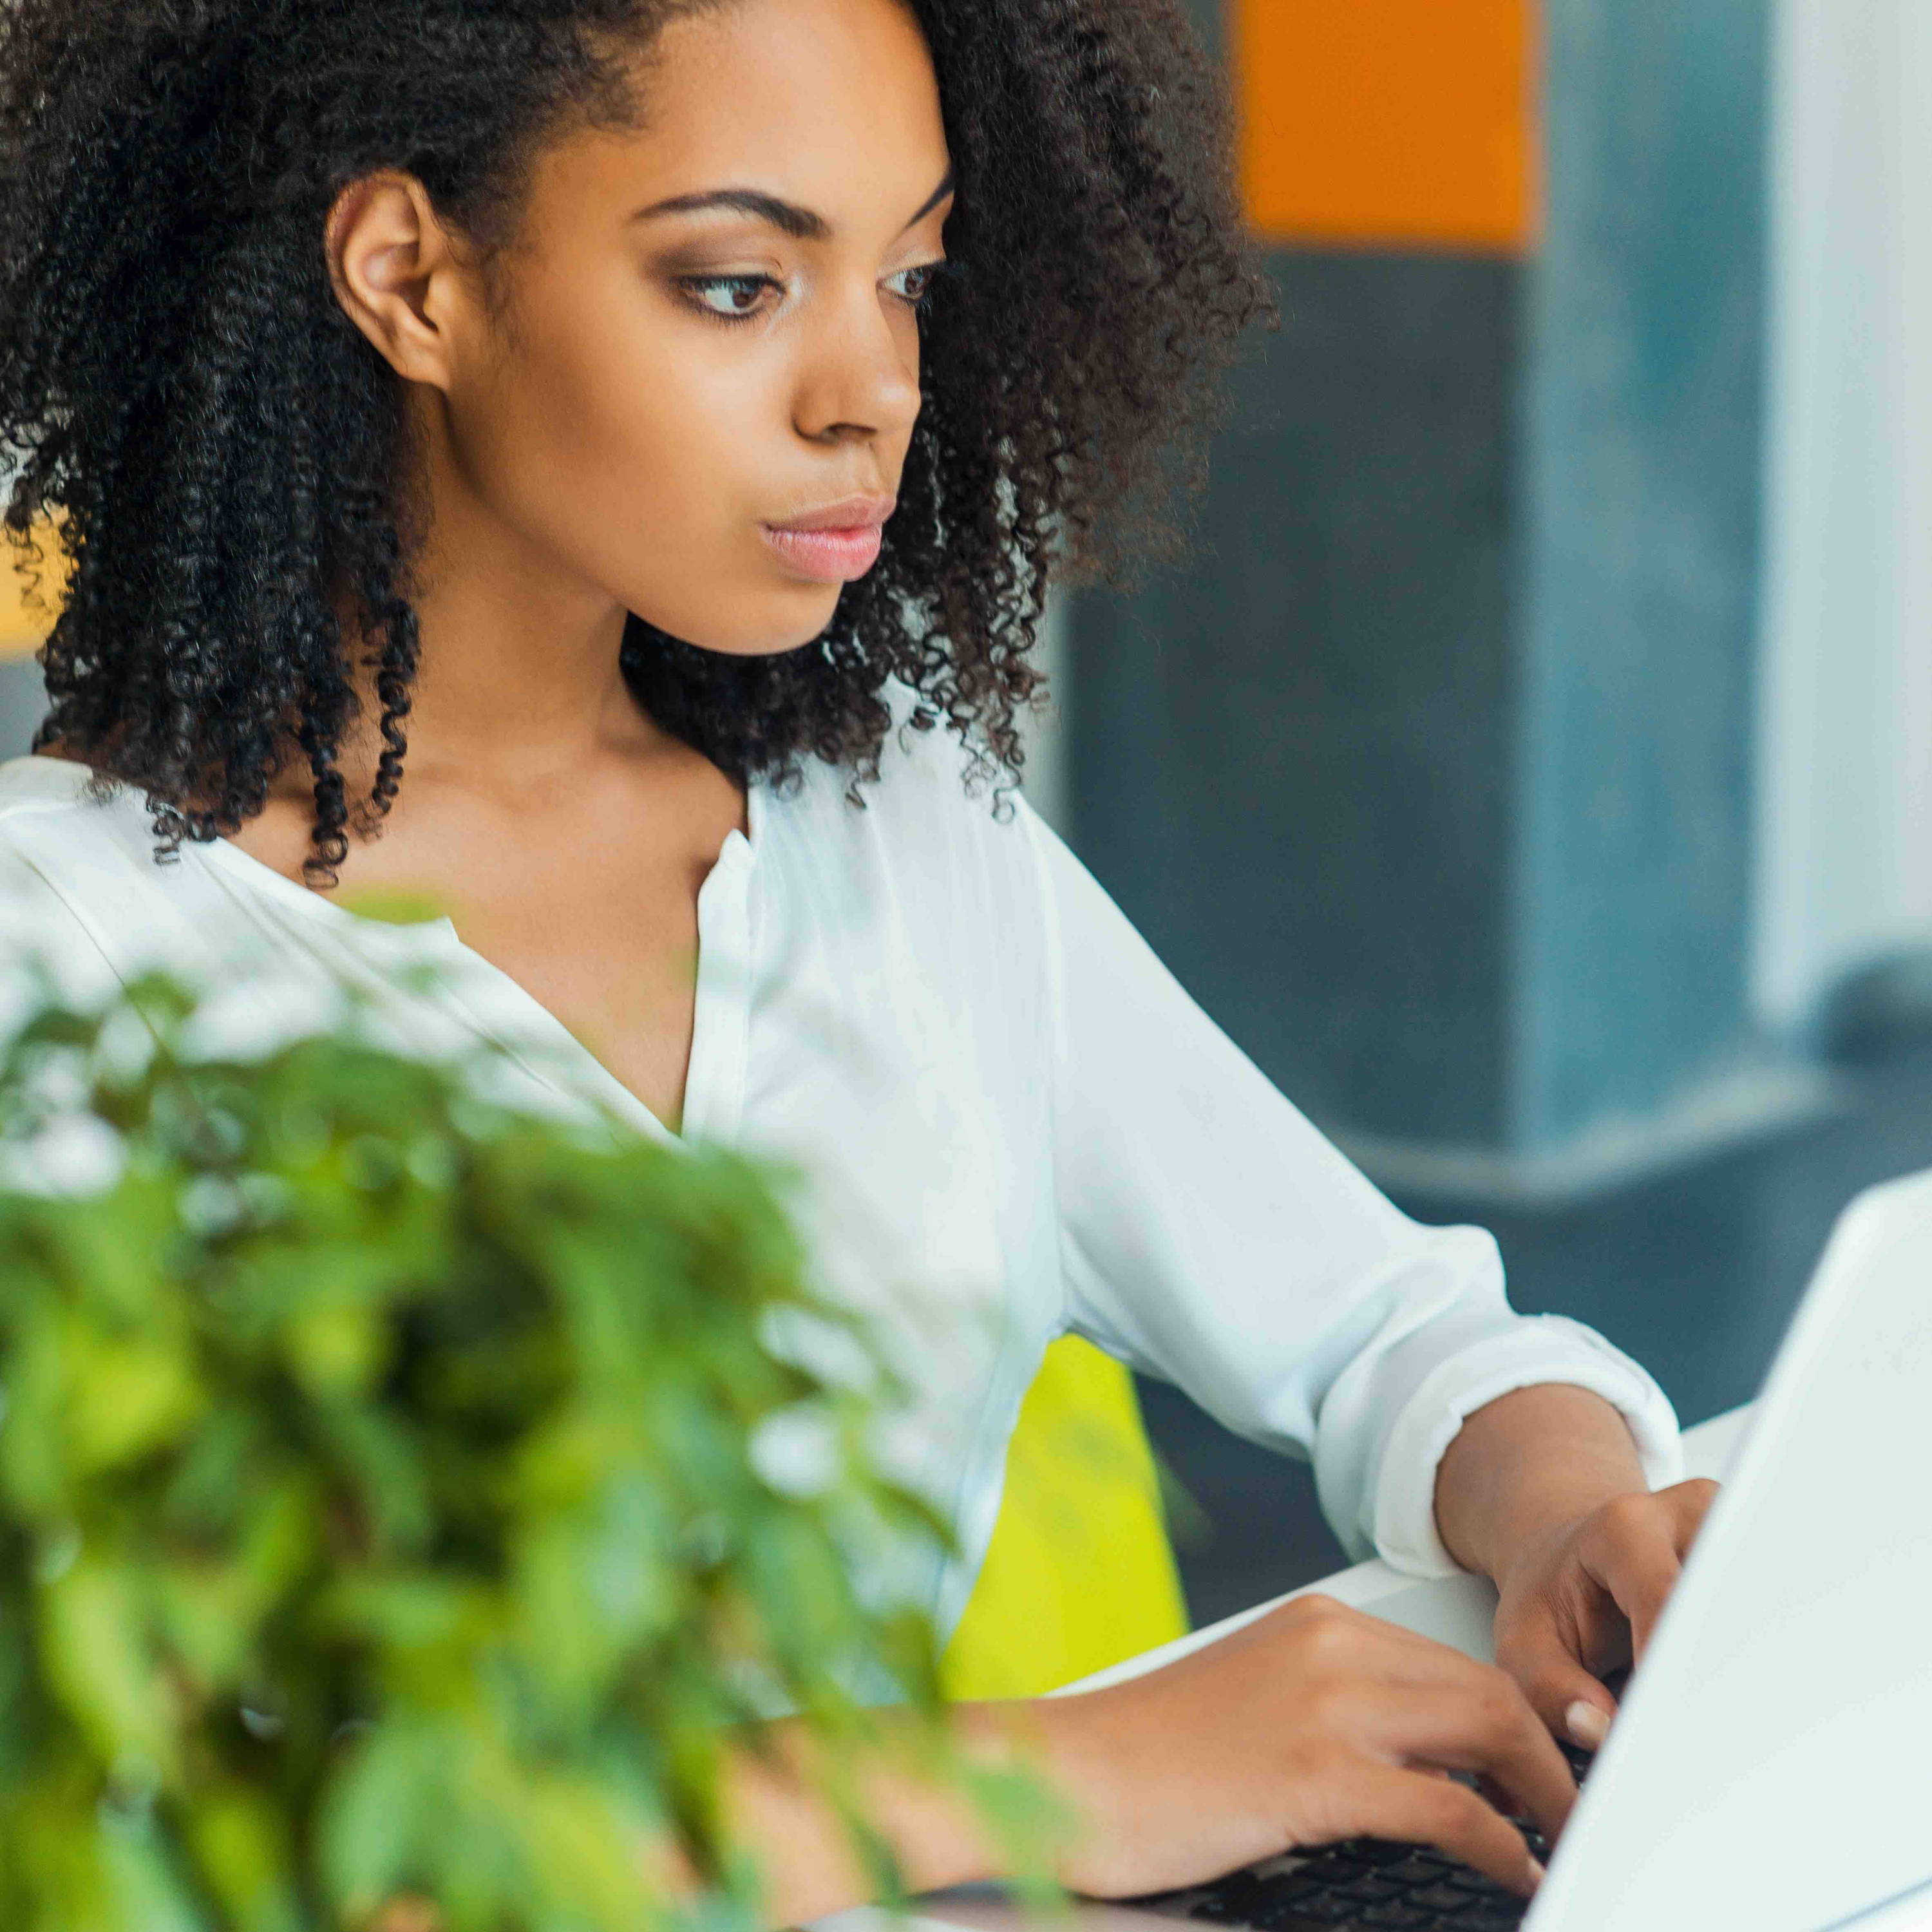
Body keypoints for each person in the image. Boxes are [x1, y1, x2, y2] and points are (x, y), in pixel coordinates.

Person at [0, 0, 1718, 1921]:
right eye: (738, 286)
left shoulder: (890, 828)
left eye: (907, 279)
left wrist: (1579, 1518)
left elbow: (1391, 1335)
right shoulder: (62, 980)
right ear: (411, 278)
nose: (870, 388)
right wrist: (1070, 1774)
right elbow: (192, 1858)